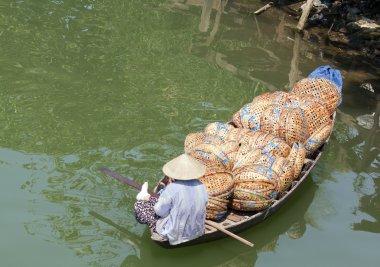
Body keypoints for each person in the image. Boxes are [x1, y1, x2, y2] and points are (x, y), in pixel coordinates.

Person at [134, 153, 208, 245]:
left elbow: (159, 212)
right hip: (198, 231)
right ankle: (146, 197)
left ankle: (144, 197)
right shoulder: (202, 186)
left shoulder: (172, 188)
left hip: (175, 235)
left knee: (140, 205)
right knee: (159, 202)